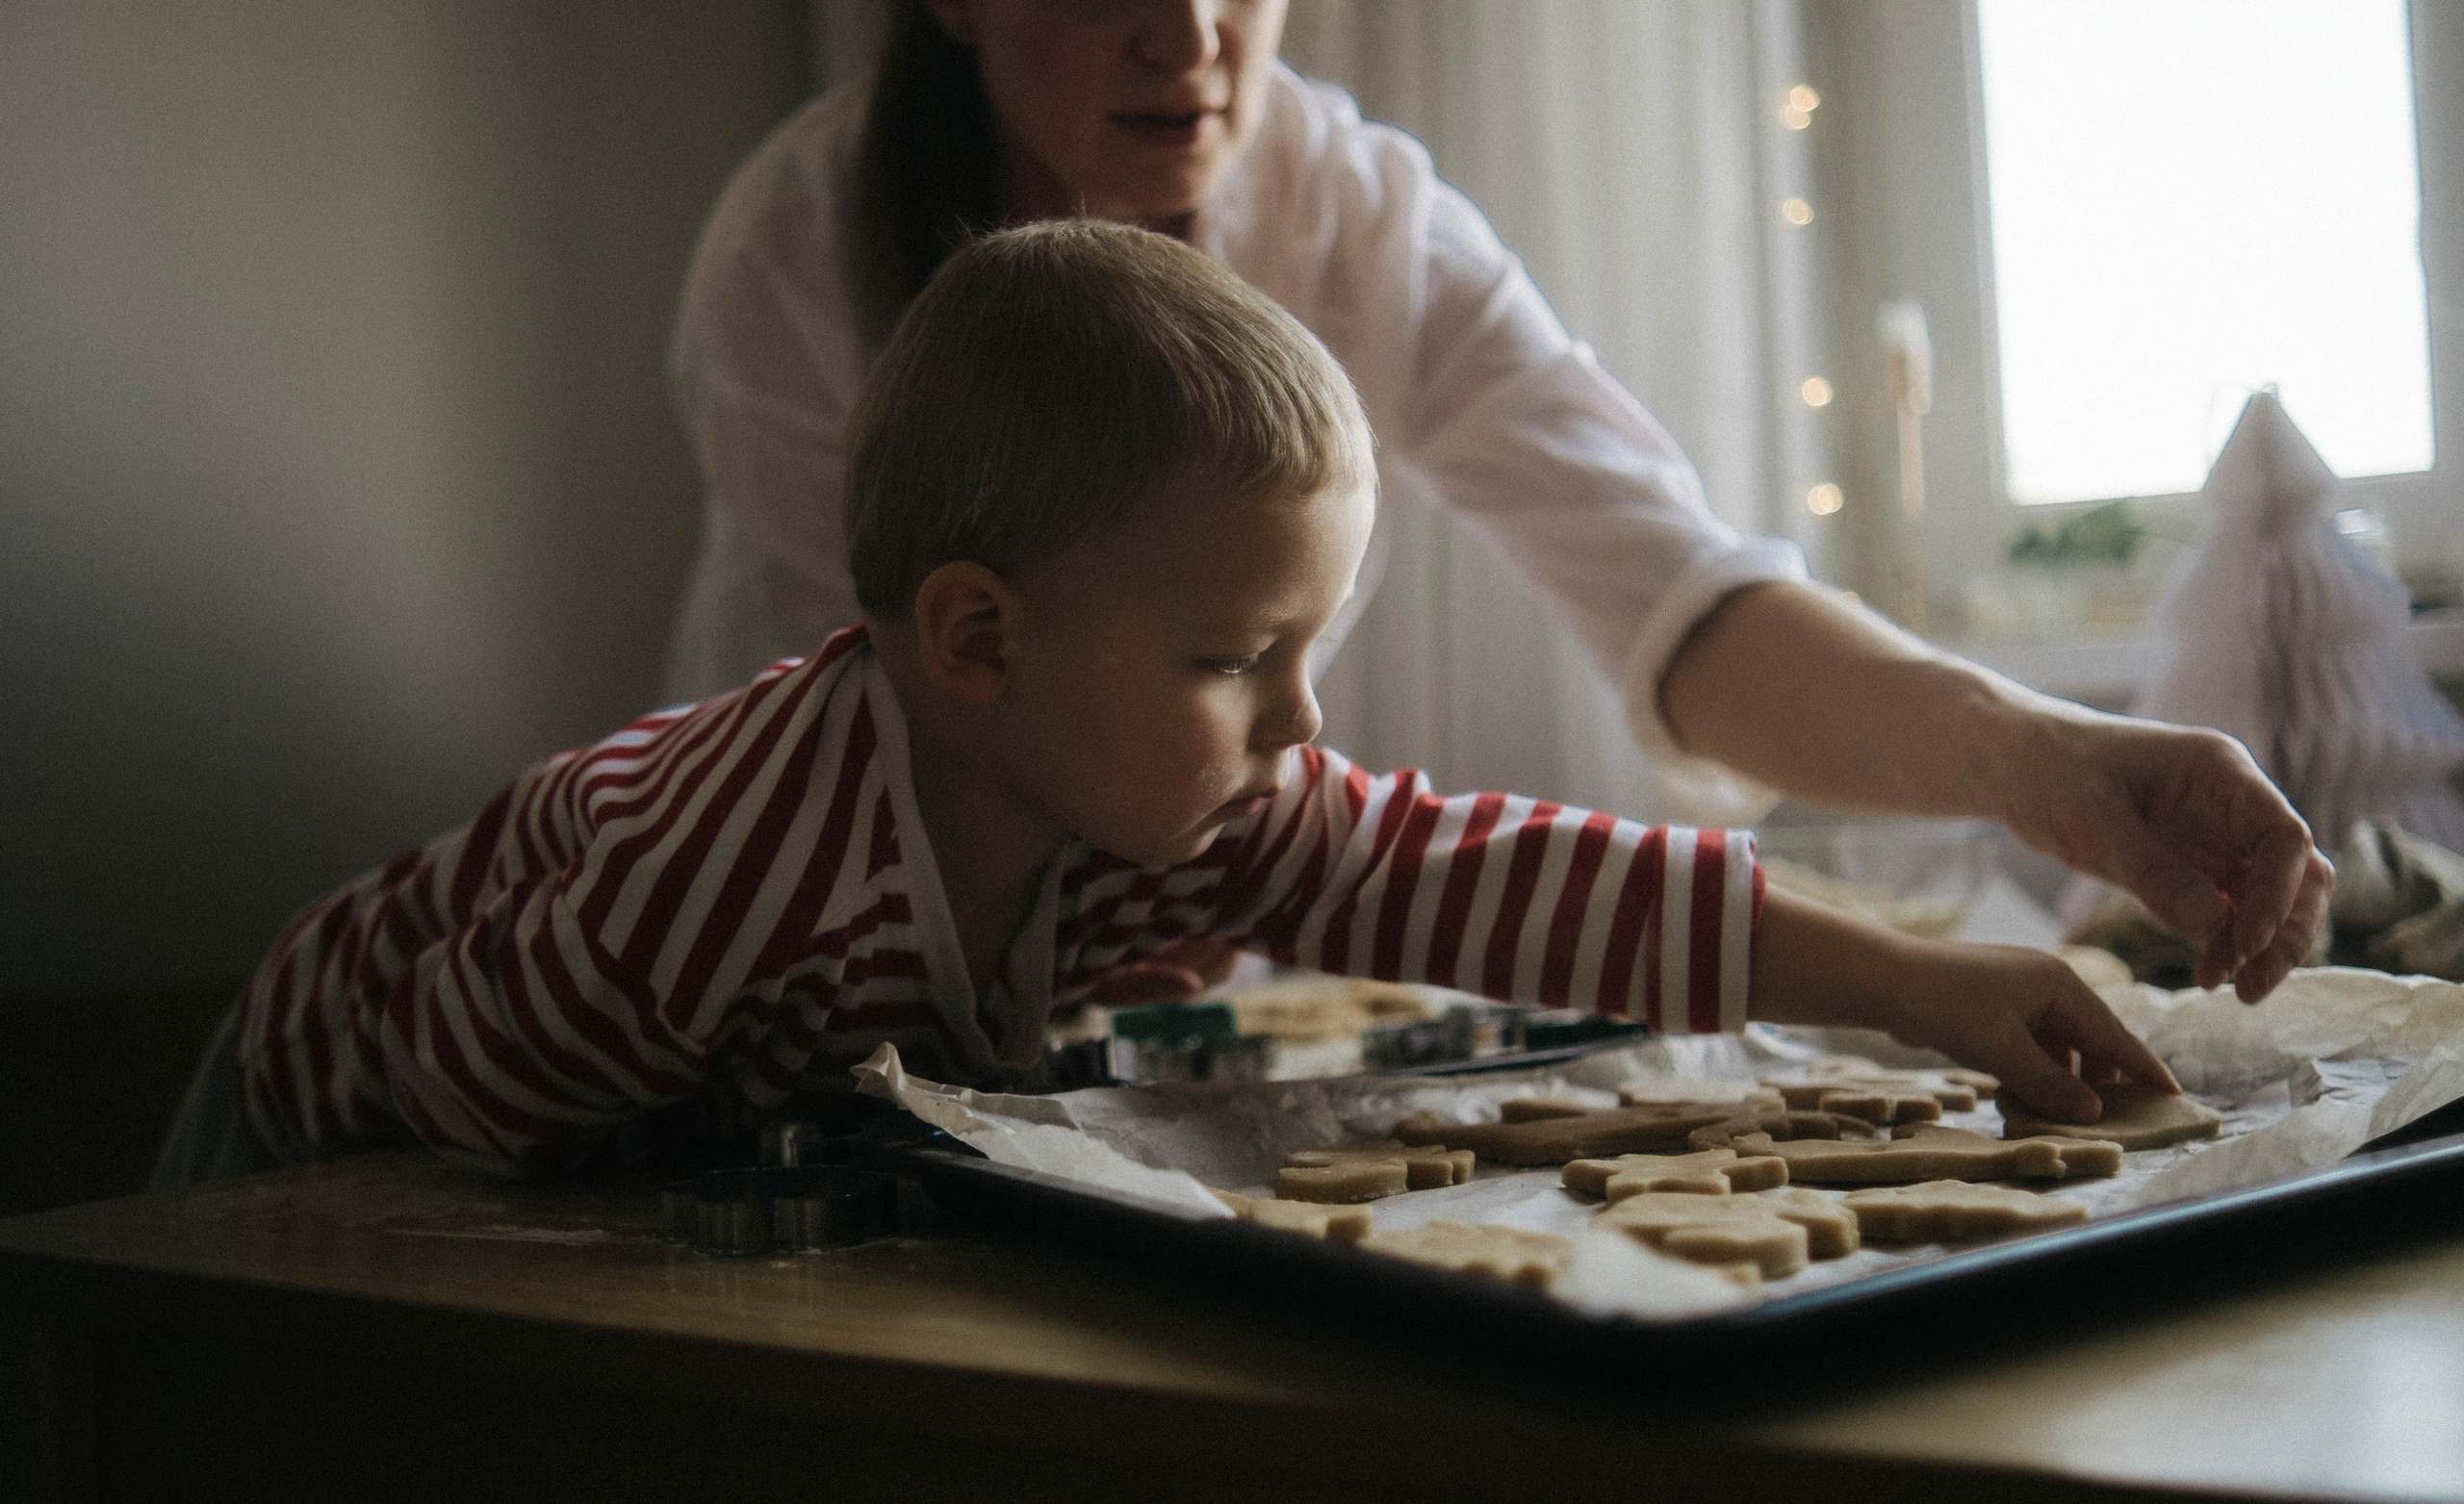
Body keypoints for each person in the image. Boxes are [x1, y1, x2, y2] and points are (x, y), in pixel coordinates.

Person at [663, 0, 2332, 1012]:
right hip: (824, 969)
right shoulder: (802, 252)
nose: (1187, 31)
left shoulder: (1358, 215)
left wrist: (2043, 761)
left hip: (1182, 972)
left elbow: (1677, 600)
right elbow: (868, 763)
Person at [225, 222, 2171, 1174]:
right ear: (978, 643)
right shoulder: (719, 863)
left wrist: (1920, 981)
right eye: (1237, 657)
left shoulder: (1182, 791)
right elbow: (468, 1127)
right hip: (301, 1132)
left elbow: (1519, 877)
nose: (1302, 727)